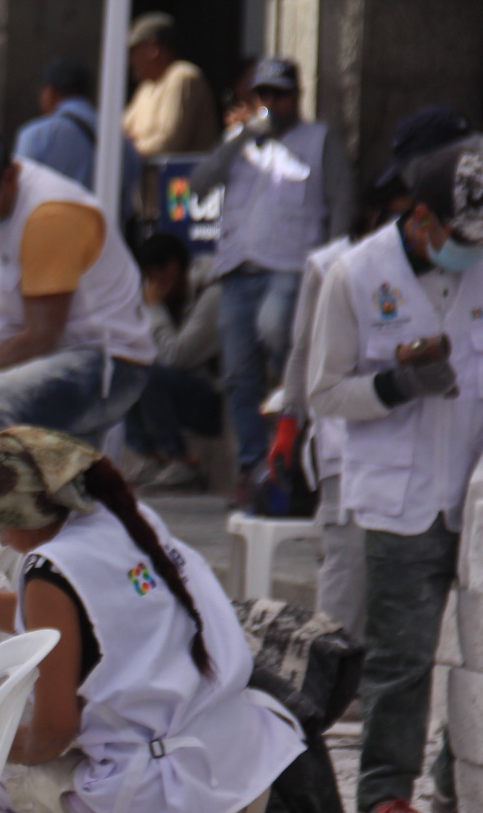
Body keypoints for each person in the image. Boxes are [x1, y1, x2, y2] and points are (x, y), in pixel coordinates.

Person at [0, 426, 303, 813]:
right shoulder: (127, 521)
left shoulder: (51, 567)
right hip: (242, 787)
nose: (0, 540)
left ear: (24, 518)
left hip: (162, 809)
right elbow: (60, 620)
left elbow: (52, 733)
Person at [307, 143, 483, 813]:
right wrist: (396, 385)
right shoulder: (355, 276)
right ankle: (385, 796)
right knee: (401, 656)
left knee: (477, 655)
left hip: (471, 494)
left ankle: (454, 780)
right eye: (460, 236)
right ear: (421, 219)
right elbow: (323, 391)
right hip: (399, 493)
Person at [0, 129, 156, 563]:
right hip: (59, 358)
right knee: (53, 492)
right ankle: (34, 558)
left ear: (5, 179)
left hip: (105, 365)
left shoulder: (49, 214)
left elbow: (43, 334)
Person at [277, 109, 477, 645]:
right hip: (363, 467)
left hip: (455, 484)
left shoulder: (471, 268)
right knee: (348, 621)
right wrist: (289, 423)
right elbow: (310, 365)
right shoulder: (344, 269)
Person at [190, 56, 355, 500]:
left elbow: (341, 203)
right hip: (237, 268)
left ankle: (292, 444)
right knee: (239, 374)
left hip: (289, 266)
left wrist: (334, 264)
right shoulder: (240, 142)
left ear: (295, 96)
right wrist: (240, 136)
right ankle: (250, 467)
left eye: (280, 95)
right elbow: (199, 185)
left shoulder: (320, 140)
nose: (272, 104)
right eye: (264, 95)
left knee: (277, 331)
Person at [123, 234, 222, 492]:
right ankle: (152, 457)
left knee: (147, 376)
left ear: (172, 269)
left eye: (152, 276)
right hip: (177, 389)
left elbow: (175, 357)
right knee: (121, 372)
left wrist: (153, 310)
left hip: (211, 396)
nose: (150, 285)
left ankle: (179, 460)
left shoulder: (211, 295)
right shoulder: (164, 300)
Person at [13, 57, 141, 225]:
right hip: (107, 240)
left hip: (52, 240)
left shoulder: (35, 135)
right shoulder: (121, 138)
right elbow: (129, 202)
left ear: (50, 92)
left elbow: (19, 198)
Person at [120, 14, 218, 156]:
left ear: (153, 48)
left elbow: (168, 142)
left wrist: (130, 149)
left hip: (182, 177)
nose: (130, 61)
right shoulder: (146, 87)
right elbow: (120, 134)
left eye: (134, 51)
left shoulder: (182, 77)